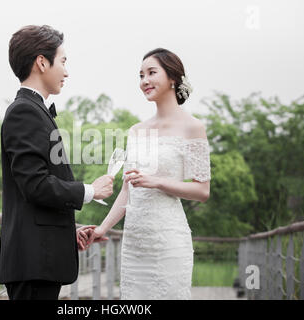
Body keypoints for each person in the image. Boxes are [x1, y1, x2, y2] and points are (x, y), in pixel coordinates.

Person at [80, 48, 211, 300]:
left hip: (169, 240)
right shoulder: (137, 130)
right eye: (141, 75)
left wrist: (158, 182)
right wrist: (102, 228)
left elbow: (202, 191)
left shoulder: (193, 127)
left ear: (173, 78)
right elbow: (128, 191)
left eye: (152, 73)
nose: (144, 81)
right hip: (134, 245)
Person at [0, 25, 114, 300]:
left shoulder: (33, 110)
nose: (66, 71)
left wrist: (66, 232)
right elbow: (35, 185)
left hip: (39, 259)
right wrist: (90, 191)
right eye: (62, 61)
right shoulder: (24, 111)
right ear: (41, 62)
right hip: (33, 263)